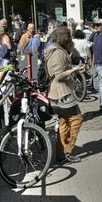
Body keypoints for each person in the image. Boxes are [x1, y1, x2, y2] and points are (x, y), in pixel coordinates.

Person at [44, 26, 85, 164]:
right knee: (76, 120)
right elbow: (59, 76)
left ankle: (61, 153)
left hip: (57, 93)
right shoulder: (57, 53)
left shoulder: (54, 50)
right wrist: (74, 70)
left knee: (64, 123)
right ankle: (66, 151)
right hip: (62, 93)